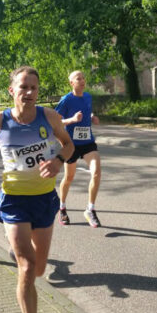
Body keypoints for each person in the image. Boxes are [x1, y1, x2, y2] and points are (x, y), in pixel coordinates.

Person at [0, 66, 74, 313]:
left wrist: (57, 162)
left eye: (33, 88)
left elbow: (67, 145)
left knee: (40, 269)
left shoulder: (49, 117)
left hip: (44, 199)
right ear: (12, 91)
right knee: (28, 267)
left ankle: (17, 251)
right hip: (15, 200)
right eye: (23, 87)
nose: (29, 92)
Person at [55, 70, 102, 228]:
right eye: (78, 78)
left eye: (83, 77)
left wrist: (91, 117)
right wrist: (72, 120)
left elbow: (87, 111)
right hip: (71, 144)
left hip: (88, 142)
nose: (82, 80)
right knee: (69, 178)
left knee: (96, 172)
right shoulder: (66, 100)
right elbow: (56, 122)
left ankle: (90, 209)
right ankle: (62, 207)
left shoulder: (88, 97)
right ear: (71, 83)